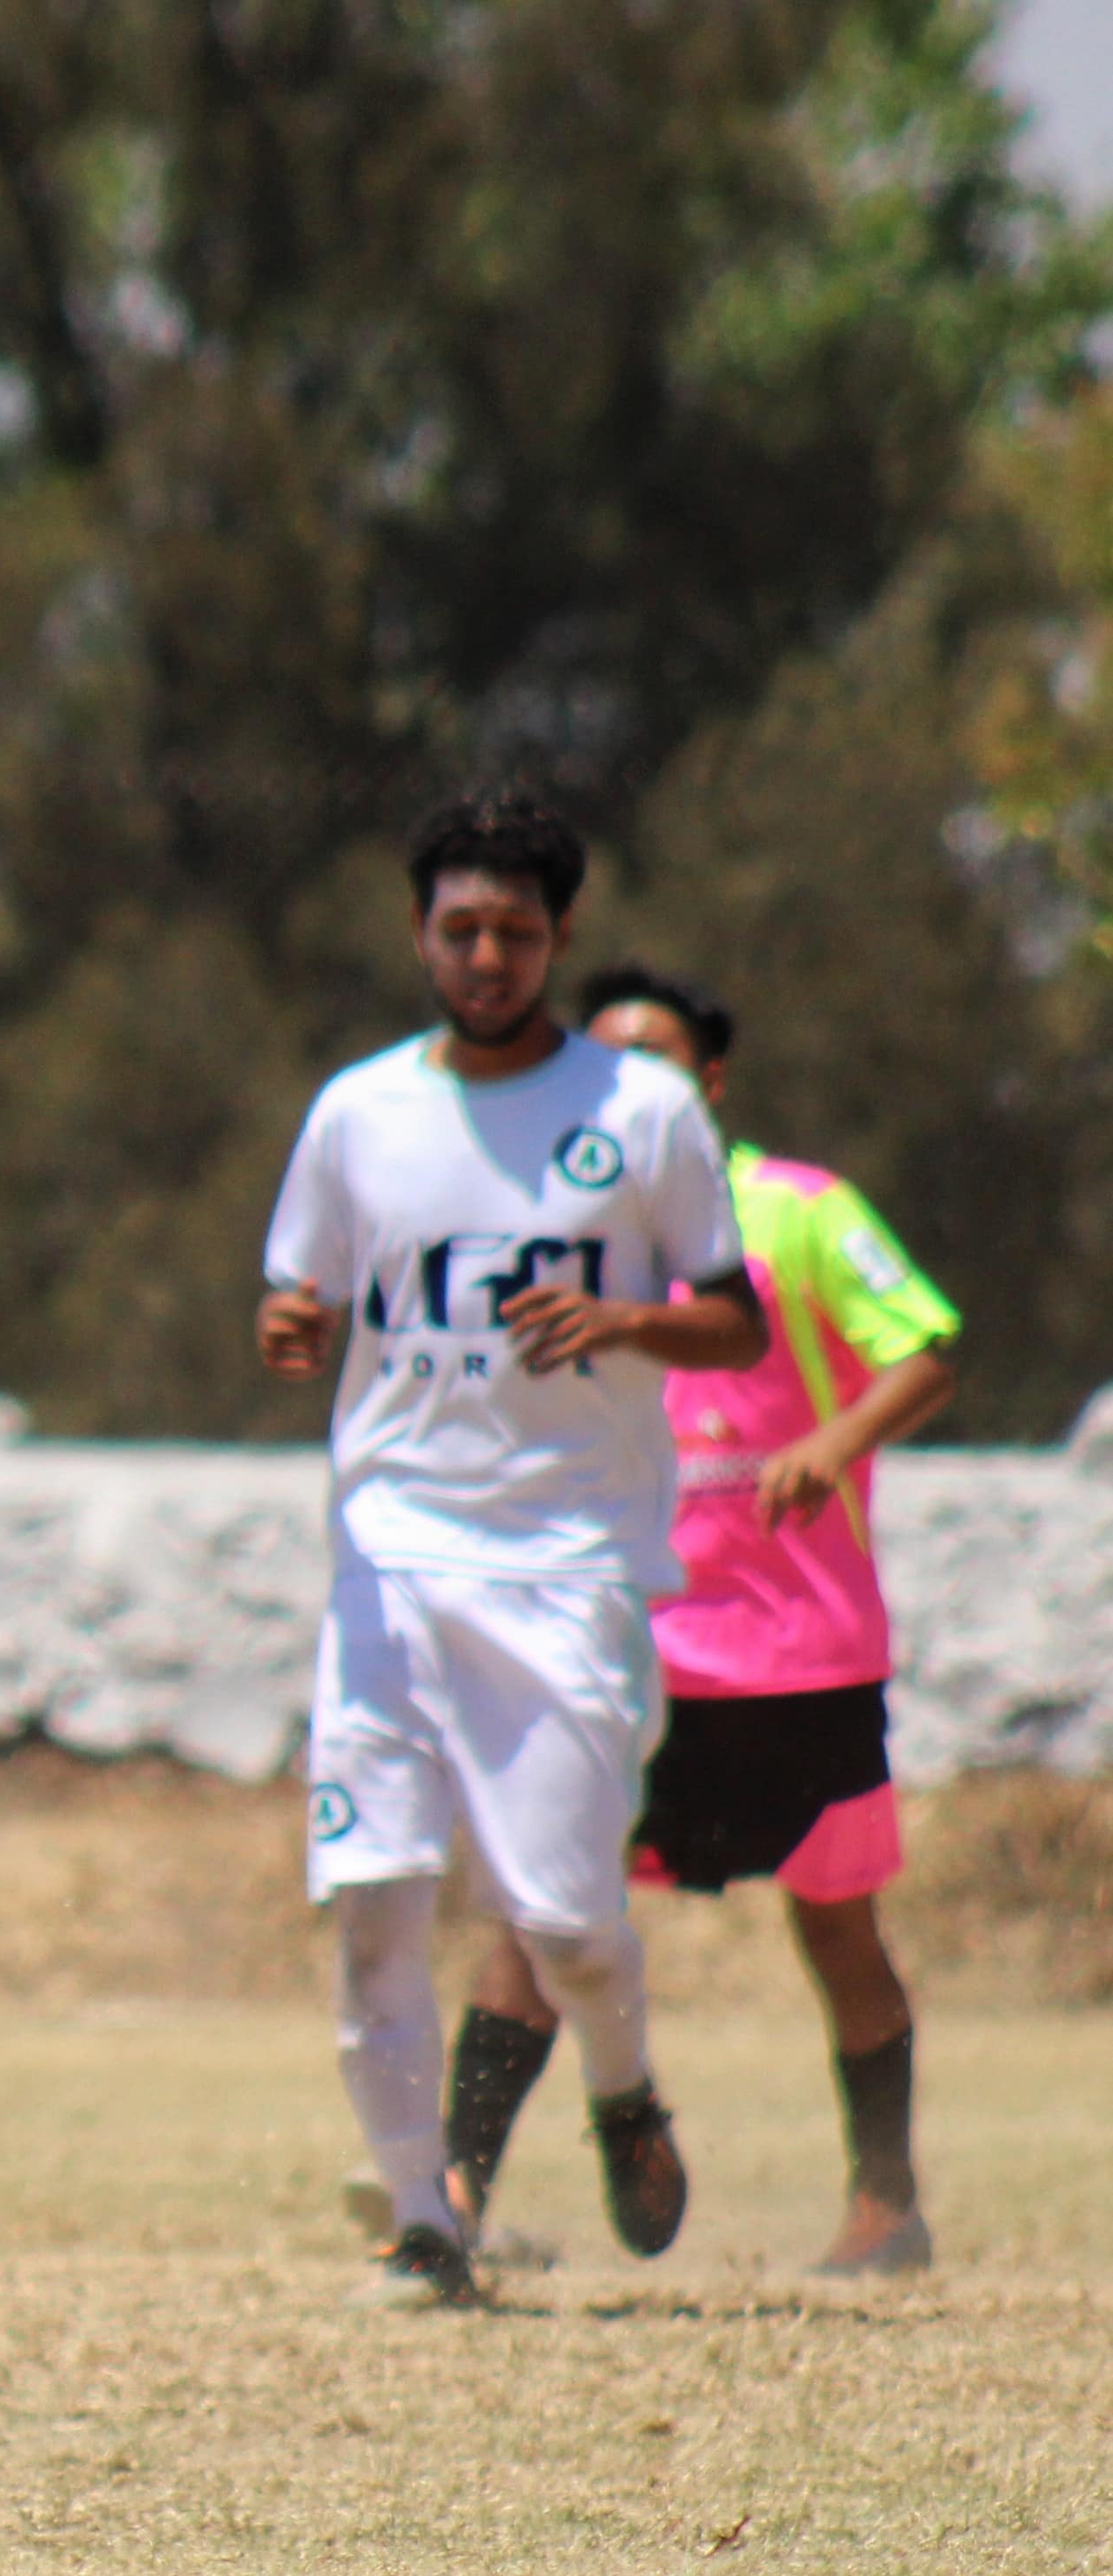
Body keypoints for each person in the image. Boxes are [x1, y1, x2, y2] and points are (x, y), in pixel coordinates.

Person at [259, 788, 768, 2310]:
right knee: (375, 1903)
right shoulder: (358, 1112)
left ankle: (621, 2085)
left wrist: (621, 1318)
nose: (485, 955)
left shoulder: (639, 1111)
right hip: (389, 1559)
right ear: (419, 932)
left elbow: (734, 1315)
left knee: (561, 1924)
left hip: (565, 1565)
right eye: (458, 927)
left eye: (515, 930)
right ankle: (425, 2220)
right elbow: (302, 1294)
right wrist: (290, 1328)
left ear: (557, 938)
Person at [425, 966, 956, 2279]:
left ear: (709, 1082)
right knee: (535, 1919)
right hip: (622, 1646)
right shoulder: (557, 1231)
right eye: (598, 1070)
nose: (622, 1093)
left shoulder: (796, 1209)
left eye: (652, 1064)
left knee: (837, 1925)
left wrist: (830, 1443)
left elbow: (929, 1343)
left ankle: (882, 2206)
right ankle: (446, 2204)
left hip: (797, 1651)